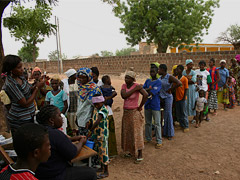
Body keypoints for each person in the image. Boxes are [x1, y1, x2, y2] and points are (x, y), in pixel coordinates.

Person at [35, 105, 97, 180]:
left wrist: (71, 139)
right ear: (51, 120)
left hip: (40, 173)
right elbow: (73, 153)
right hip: (54, 175)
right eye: (59, 116)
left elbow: (56, 142)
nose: (62, 118)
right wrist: (81, 142)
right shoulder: (55, 134)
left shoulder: (39, 130)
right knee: (91, 173)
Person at [2, 55, 45, 133]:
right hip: (20, 118)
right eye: (19, 67)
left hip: (29, 115)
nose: (22, 69)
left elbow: (28, 90)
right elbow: (25, 103)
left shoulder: (20, 77)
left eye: (22, 67)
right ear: (11, 70)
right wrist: (37, 88)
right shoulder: (10, 84)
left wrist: (37, 84)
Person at [121, 70, 148, 163]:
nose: (126, 79)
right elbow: (124, 96)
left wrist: (140, 106)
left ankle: (140, 154)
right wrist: (134, 89)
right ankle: (130, 151)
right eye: (125, 77)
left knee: (137, 133)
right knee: (128, 132)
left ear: (132, 79)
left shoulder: (137, 86)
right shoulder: (124, 86)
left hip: (134, 112)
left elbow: (146, 94)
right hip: (126, 112)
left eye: (128, 78)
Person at [87, 95, 110, 179]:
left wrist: (91, 130)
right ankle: (101, 167)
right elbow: (93, 119)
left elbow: (97, 121)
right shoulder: (96, 109)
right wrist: (89, 123)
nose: (96, 106)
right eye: (95, 104)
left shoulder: (103, 110)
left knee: (103, 152)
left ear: (102, 102)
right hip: (97, 134)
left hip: (102, 134)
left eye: (97, 104)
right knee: (99, 151)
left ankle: (106, 171)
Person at [158, 64, 182, 139]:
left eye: (159, 69)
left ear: (162, 70)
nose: (158, 71)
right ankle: (164, 132)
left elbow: (179, 83)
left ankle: (170, 134)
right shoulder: (160, 78)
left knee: (168, 114)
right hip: (161, 98)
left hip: (168, 97)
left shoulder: (169, 77)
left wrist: (171, 89)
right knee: (163, 115)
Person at [76, 68, 102, 135]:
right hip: (80, 118)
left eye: (84, 78)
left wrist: (90, 120)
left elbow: (97, 106)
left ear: (89, 77)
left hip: (89, 120)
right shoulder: (80, 88)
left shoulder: (94, 89)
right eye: (79, 77)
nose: (81, 79)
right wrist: (77, 116)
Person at [143, 63, 162, 147]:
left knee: (157, 123)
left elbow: (151, 92)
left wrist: (147, 90)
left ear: (157, 72)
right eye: (151, 72)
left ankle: (159, 141)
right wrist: (148, 89)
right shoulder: (147, 81)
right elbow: (143, 90)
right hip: (147, 104)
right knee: (148, 122)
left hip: (155, 105)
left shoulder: (159, 82)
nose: (152, 73)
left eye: (153, 72)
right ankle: (148, 138)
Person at [100, 75, 118, 157]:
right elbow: (115, 93)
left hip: (103, 108)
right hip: (108, 110)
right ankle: (112, 152)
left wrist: (104, 99)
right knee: (111, 131)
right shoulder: (111, 87)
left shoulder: (100, 88)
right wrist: (109, 97)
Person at [62, 69, 79, 134]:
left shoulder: (77, 83)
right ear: (71, 76)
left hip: (76, 107)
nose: (76, 76)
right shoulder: (64, 83)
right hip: (69, 108)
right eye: (75, 75)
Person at [175, 65, 189, 132]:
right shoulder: (175, 78)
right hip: (177, 98)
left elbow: (186, 89)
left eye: (178, 69)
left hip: (182, 98)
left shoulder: (185, 79)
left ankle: (186, 126)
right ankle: (181, 124)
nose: (177, 71)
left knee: (183, 112)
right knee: (178, 112)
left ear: (181, 70)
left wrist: (184, 97)